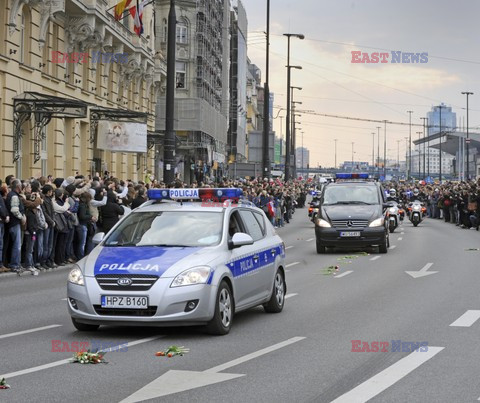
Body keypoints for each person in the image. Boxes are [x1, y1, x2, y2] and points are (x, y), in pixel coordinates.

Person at [0, 184, 9, 272]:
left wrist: (6, 215)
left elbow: (3, 207)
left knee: (1, 244)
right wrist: (4, 216)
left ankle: (1, 264)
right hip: (1, 221)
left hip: (2, 221)